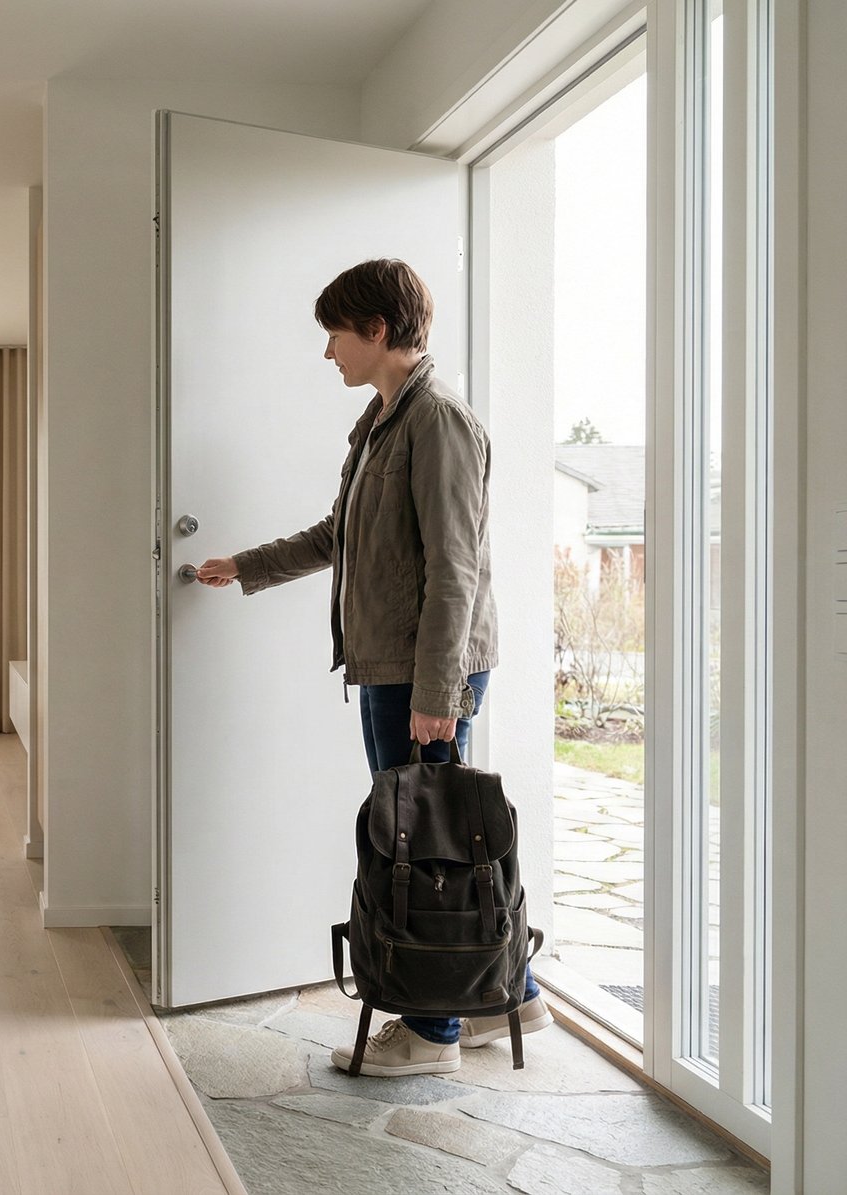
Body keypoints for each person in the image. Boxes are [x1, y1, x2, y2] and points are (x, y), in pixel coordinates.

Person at [194, 258, 551, 1078]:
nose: (329, 353)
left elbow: (456, 568)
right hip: (395, 664)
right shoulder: (383, 421)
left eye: (335, 335)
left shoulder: (439, 422)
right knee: (436, 836)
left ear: (377, 329)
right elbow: (339, 534)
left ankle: (432, 1030)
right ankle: (508, 997)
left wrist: (436, 692)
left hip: (423, 669)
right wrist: (245, 565)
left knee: (419, 850)